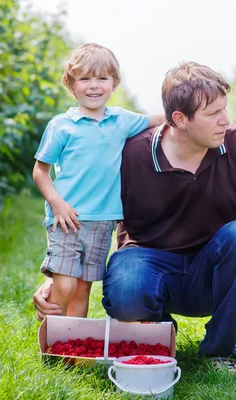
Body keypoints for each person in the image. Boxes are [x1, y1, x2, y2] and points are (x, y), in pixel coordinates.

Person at [33, 62, 236, 378]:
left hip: (211, 269)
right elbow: (84, 202)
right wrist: (59, 275)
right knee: (127, 283)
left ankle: (220, 351)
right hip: (149, 264)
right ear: (180, 119)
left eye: (224, 109)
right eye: (213, 114)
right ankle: (159, 339)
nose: (225, 120)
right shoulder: (134, 154)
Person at [32, 43, 163, 318]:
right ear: (70, 84)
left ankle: (73, 350)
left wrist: (186, 111)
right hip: (67, 217)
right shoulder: (62, 125)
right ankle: (51, 345)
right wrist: (57, 204)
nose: (94, 85)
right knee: (65, 284)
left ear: (114, 83)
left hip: (103, 221)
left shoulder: (121, 120)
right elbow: (40, 171)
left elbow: (157, 119)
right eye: (85, 78)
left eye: (102, 78)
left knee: (82, 290)